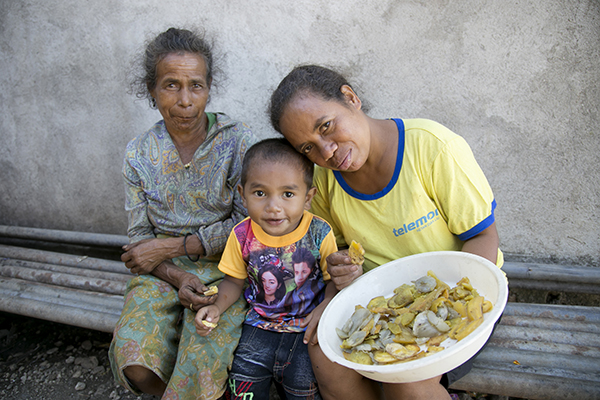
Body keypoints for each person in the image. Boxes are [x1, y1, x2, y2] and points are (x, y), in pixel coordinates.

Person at [268, 65, 503, 400]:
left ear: (351, 98)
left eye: (326, 127)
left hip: (461, 293)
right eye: (308, 148)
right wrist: (337, 283)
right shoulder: (322, 181)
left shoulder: (431, 148)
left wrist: (448, 308)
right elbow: (339, 251)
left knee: (405, 381)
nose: (327, 152)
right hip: (383, 303)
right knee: (323, 353)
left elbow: (484, 236)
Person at [108, 27, 257, 399]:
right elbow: (140, 242)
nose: (186, 100)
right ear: (152, 90)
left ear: (209, 89)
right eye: (171, 85)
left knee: (202, 355)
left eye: (196, 85)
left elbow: (246, 225)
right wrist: (173, 273)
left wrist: (170, 247)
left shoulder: (236, 141)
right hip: (161, 272)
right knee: (134, 358)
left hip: (229, 269)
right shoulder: (138, 154)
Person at [194, 138, 338, 400]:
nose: (273, 207)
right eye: (260, 193)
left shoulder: (319, 232)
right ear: (242, 194)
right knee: (243, 386)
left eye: (288, 194)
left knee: (302, 387)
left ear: (308, 197)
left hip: (306, 330)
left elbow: (333, 281)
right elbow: (233, 282)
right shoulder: (242, 235)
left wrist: (325, 305)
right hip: (258, 326)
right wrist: (216, 307)